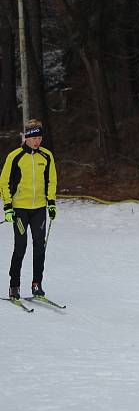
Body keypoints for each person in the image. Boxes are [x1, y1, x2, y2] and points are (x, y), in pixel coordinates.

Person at [0, 120, 57, 300]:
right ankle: (14, 286)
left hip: (39, 208)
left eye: (40, 137)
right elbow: (4, 182)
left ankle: (37, 284)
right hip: (20, 210)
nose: (37, 141)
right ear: (26, 138)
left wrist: (52, 202)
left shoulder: (46, 156)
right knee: (21, 247)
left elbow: (51, 180)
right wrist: (8, 206)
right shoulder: (15, 156)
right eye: (34, 138)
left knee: (40, 247)